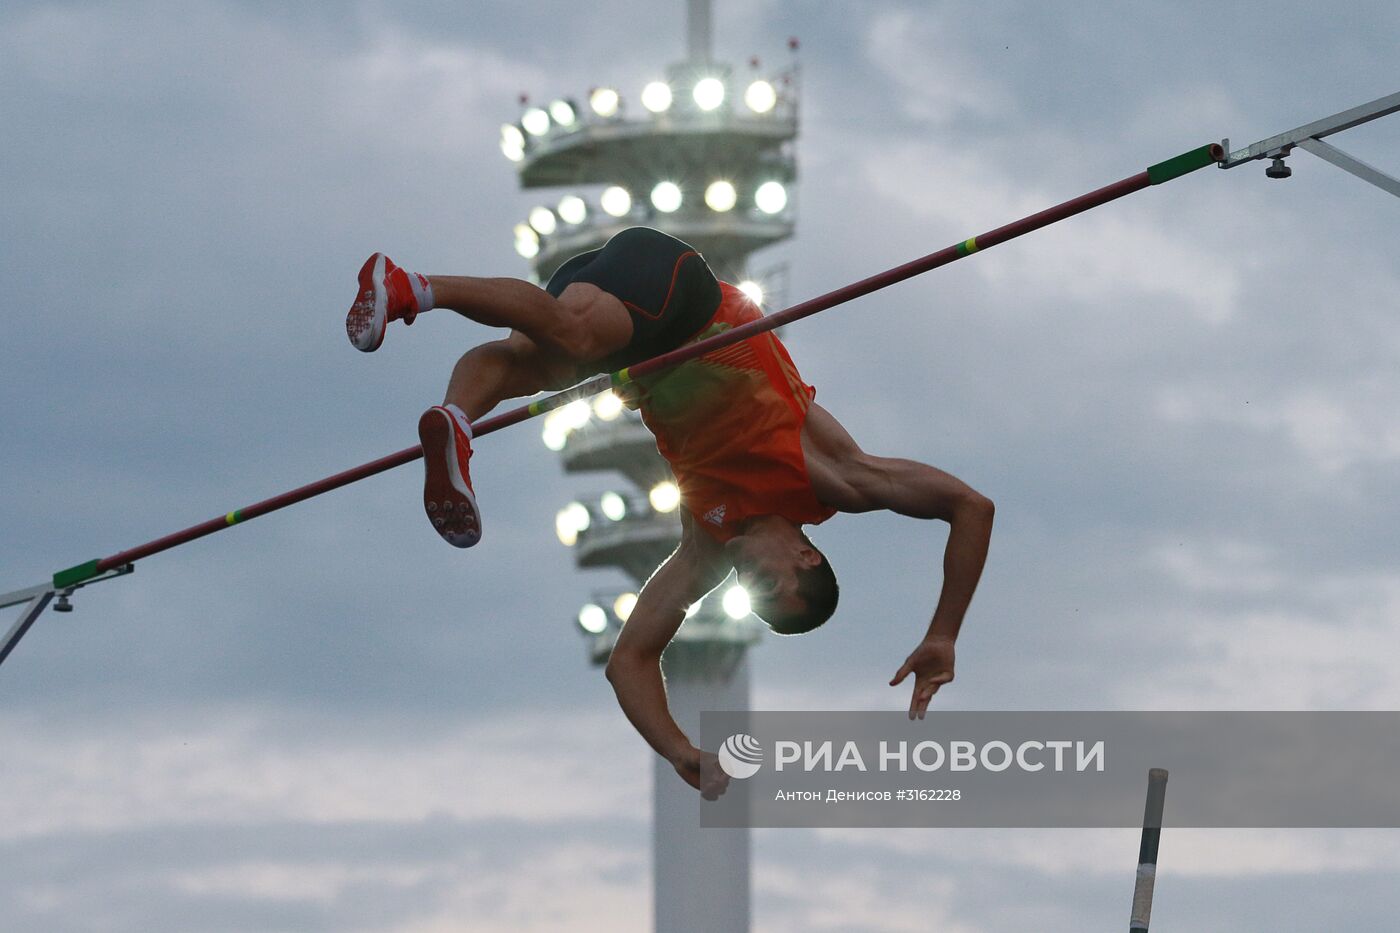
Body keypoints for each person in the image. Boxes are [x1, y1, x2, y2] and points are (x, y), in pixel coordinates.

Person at [346, 227, 994, 797]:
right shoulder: (831, 477)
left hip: (633, 349)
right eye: (771, 582)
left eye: (754, 594)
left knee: (529, 361)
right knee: (568, 330)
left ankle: (455, 420)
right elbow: (969, 505)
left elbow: (630, 658)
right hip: (686, 304)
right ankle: (408, 287)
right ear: (806, 552)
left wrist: (680, 748)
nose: (748, 582)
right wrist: (943, 632)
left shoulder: (705, 547)